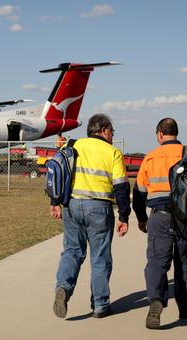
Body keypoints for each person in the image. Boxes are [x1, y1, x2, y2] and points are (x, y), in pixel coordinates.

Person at [132, 117, 187, 329]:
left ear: (159, 134)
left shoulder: (150, 157)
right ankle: (185, 307)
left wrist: (141, 218)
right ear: (176, 133)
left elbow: (139, 193)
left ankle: (156, 301)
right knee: (185, 261)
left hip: (160, 215)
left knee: (157, 261)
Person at [51, 113, 131, 319]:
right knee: (100, 257)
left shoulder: (72, 145)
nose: (112, 135)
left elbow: (58, 173)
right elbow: (121, 187)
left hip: (72, 205)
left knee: (72, 251)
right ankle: (100, 305)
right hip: (99, 208)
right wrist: (124, 216)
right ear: (104, 130)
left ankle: (63, 288)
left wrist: (55, 202)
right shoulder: (113, 152)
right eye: (112, 131)